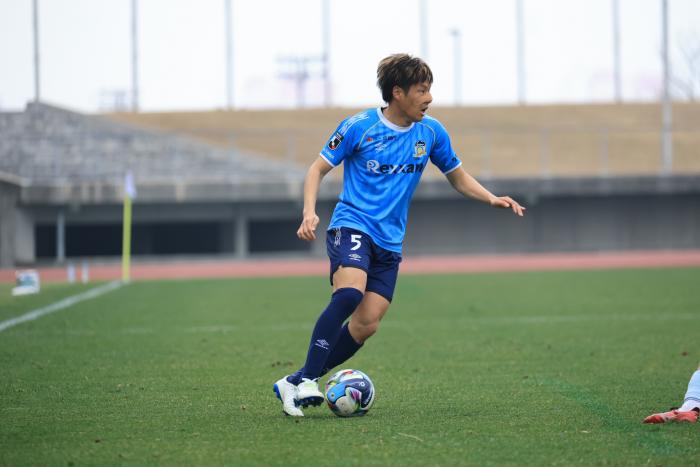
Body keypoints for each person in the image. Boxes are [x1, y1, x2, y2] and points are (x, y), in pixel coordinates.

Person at [273, 53, 525, 417]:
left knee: (366, 324)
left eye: (429, 89)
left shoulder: (431, 132)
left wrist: (491, 198)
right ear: (398, 92)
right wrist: (309, 211)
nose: (429, 98)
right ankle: (310, 380)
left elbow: (456, 175)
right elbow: (317, 169)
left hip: (389, 241)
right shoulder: (359, 126)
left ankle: (293, 381)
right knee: (348, 294)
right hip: (352, 225)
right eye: (421, 90)